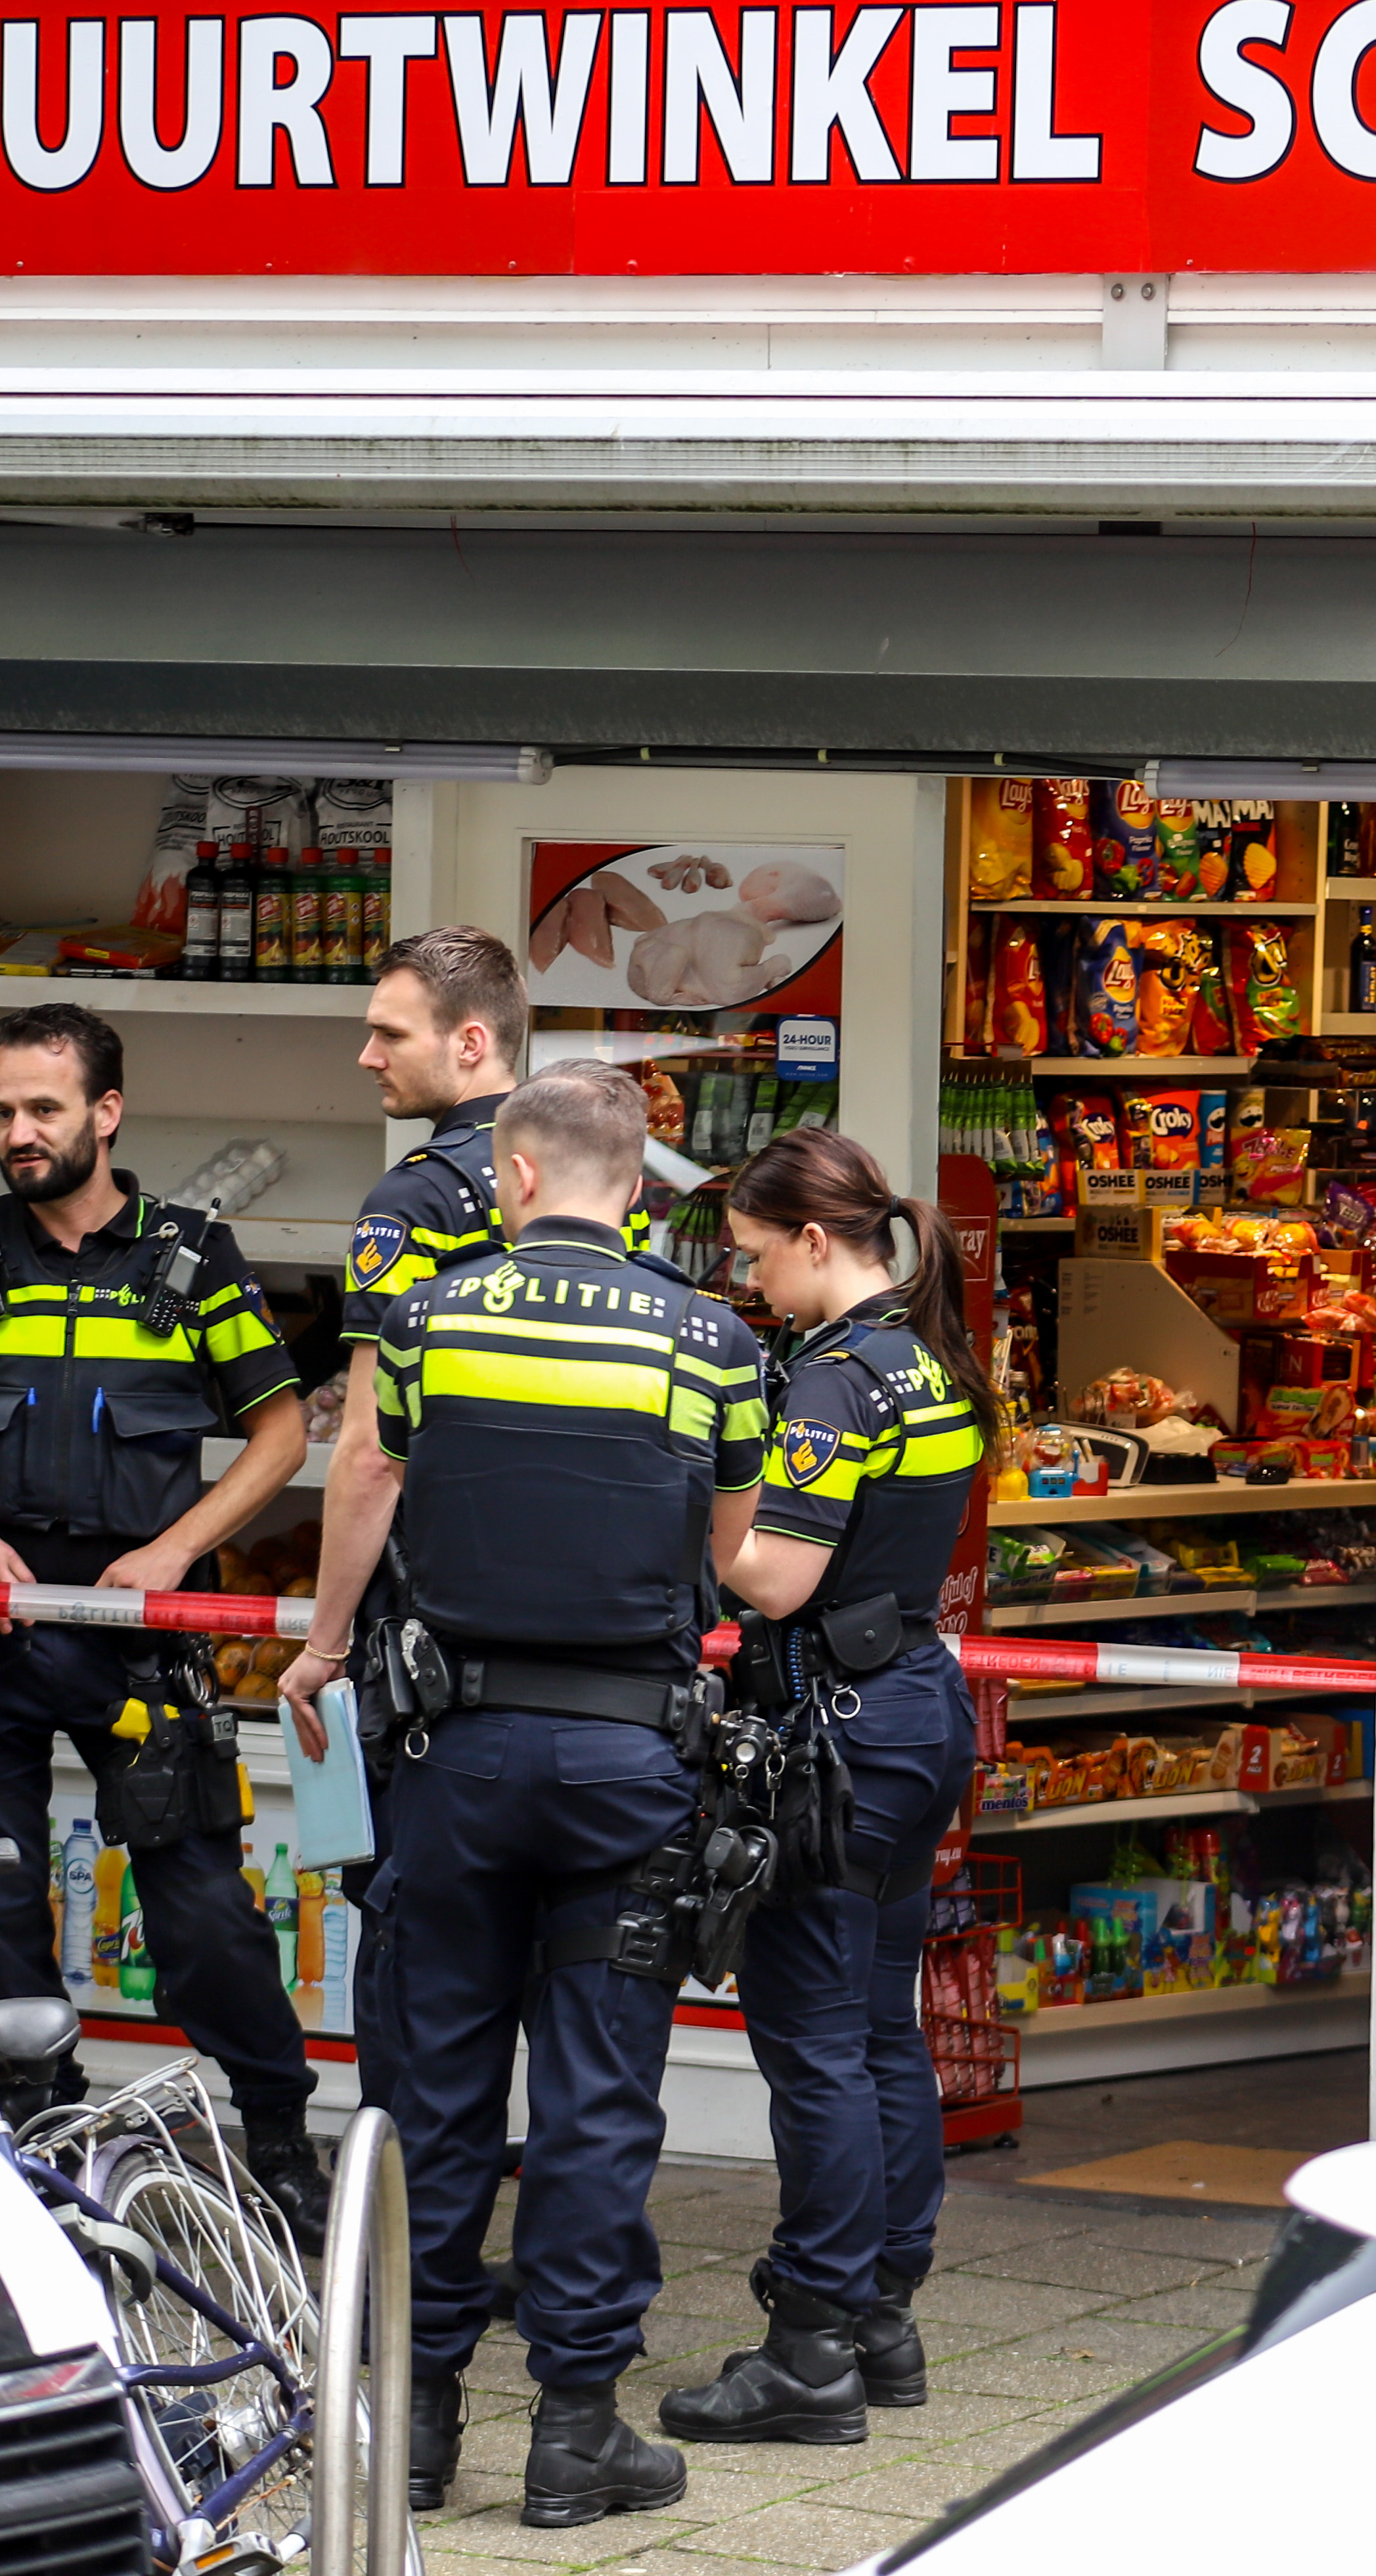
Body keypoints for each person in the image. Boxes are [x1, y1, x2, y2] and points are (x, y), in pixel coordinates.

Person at [278, 1060, 768, 2533]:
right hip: (628, 1767)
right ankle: (575, 2431)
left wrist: (322, 1645)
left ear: (516, 1174)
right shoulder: (712, 1338)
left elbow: (366, 1477)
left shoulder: (430, 1318)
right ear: (636, 1181)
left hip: (457, 1760)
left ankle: (419, 2427)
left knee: (432, 2092)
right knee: (597, 2102)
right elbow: (727, 1551)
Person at [0, 1003, 330, 2246]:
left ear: (106, 1113)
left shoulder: (191, 1257)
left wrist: (177, 1552)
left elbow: (282, 1430)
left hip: (141, 1634)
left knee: (204, 1912)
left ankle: (278, 2141)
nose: (20, 1133)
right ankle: (38, 2132)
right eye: (4, 1112)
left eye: (45, 1109)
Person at [655, 1128, 992, 2448]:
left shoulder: (837, 1382)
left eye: (755, 1256)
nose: (751, 1284)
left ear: (812, 1238)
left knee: (815, 2049)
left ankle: (808, 2346)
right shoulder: (930, 1358)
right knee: (880, 2030)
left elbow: (777, 1579)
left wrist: (702, 1496)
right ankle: (880, 2317)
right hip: (914, 1713)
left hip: (835, 1740)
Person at [324, 923, 530, 2122]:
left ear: (469, 1042)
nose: (367, 1057)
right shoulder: (589, 1188)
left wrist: (325, 1641)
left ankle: (405, 2210)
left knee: (412, 1943)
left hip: (427, 1646)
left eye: (387, 1033)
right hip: (577, 1645)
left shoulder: (414, 1200)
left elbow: (368, 1452)